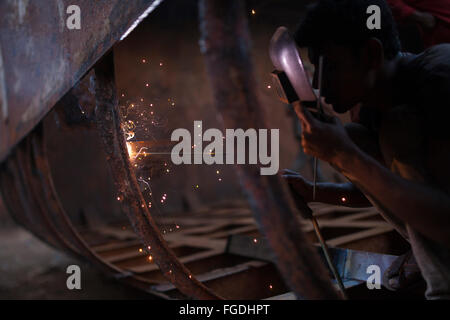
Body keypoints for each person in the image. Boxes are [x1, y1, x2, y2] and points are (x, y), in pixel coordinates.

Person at [281, 0, 450, 299]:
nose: (319, 83)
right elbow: (389, 185)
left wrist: (345, 156)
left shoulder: (439, 82)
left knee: (396, 129)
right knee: (356, 138)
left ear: (371, 54)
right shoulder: (374, 102)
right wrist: (315, 192)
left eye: (330, 66)